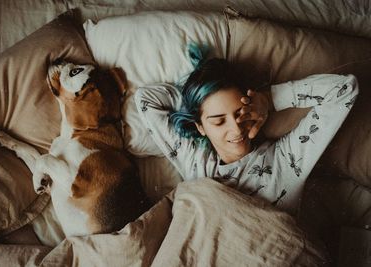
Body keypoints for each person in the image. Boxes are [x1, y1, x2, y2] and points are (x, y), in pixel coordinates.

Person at [134, 51, 358, 214]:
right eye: (218, 121)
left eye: (240, 113)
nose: (235, 127)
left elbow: (344, 90)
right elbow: (145, 99)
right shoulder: (193, 159)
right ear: (200, 127)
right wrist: (195, 99)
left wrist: (269, 99)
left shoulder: (286, 160)